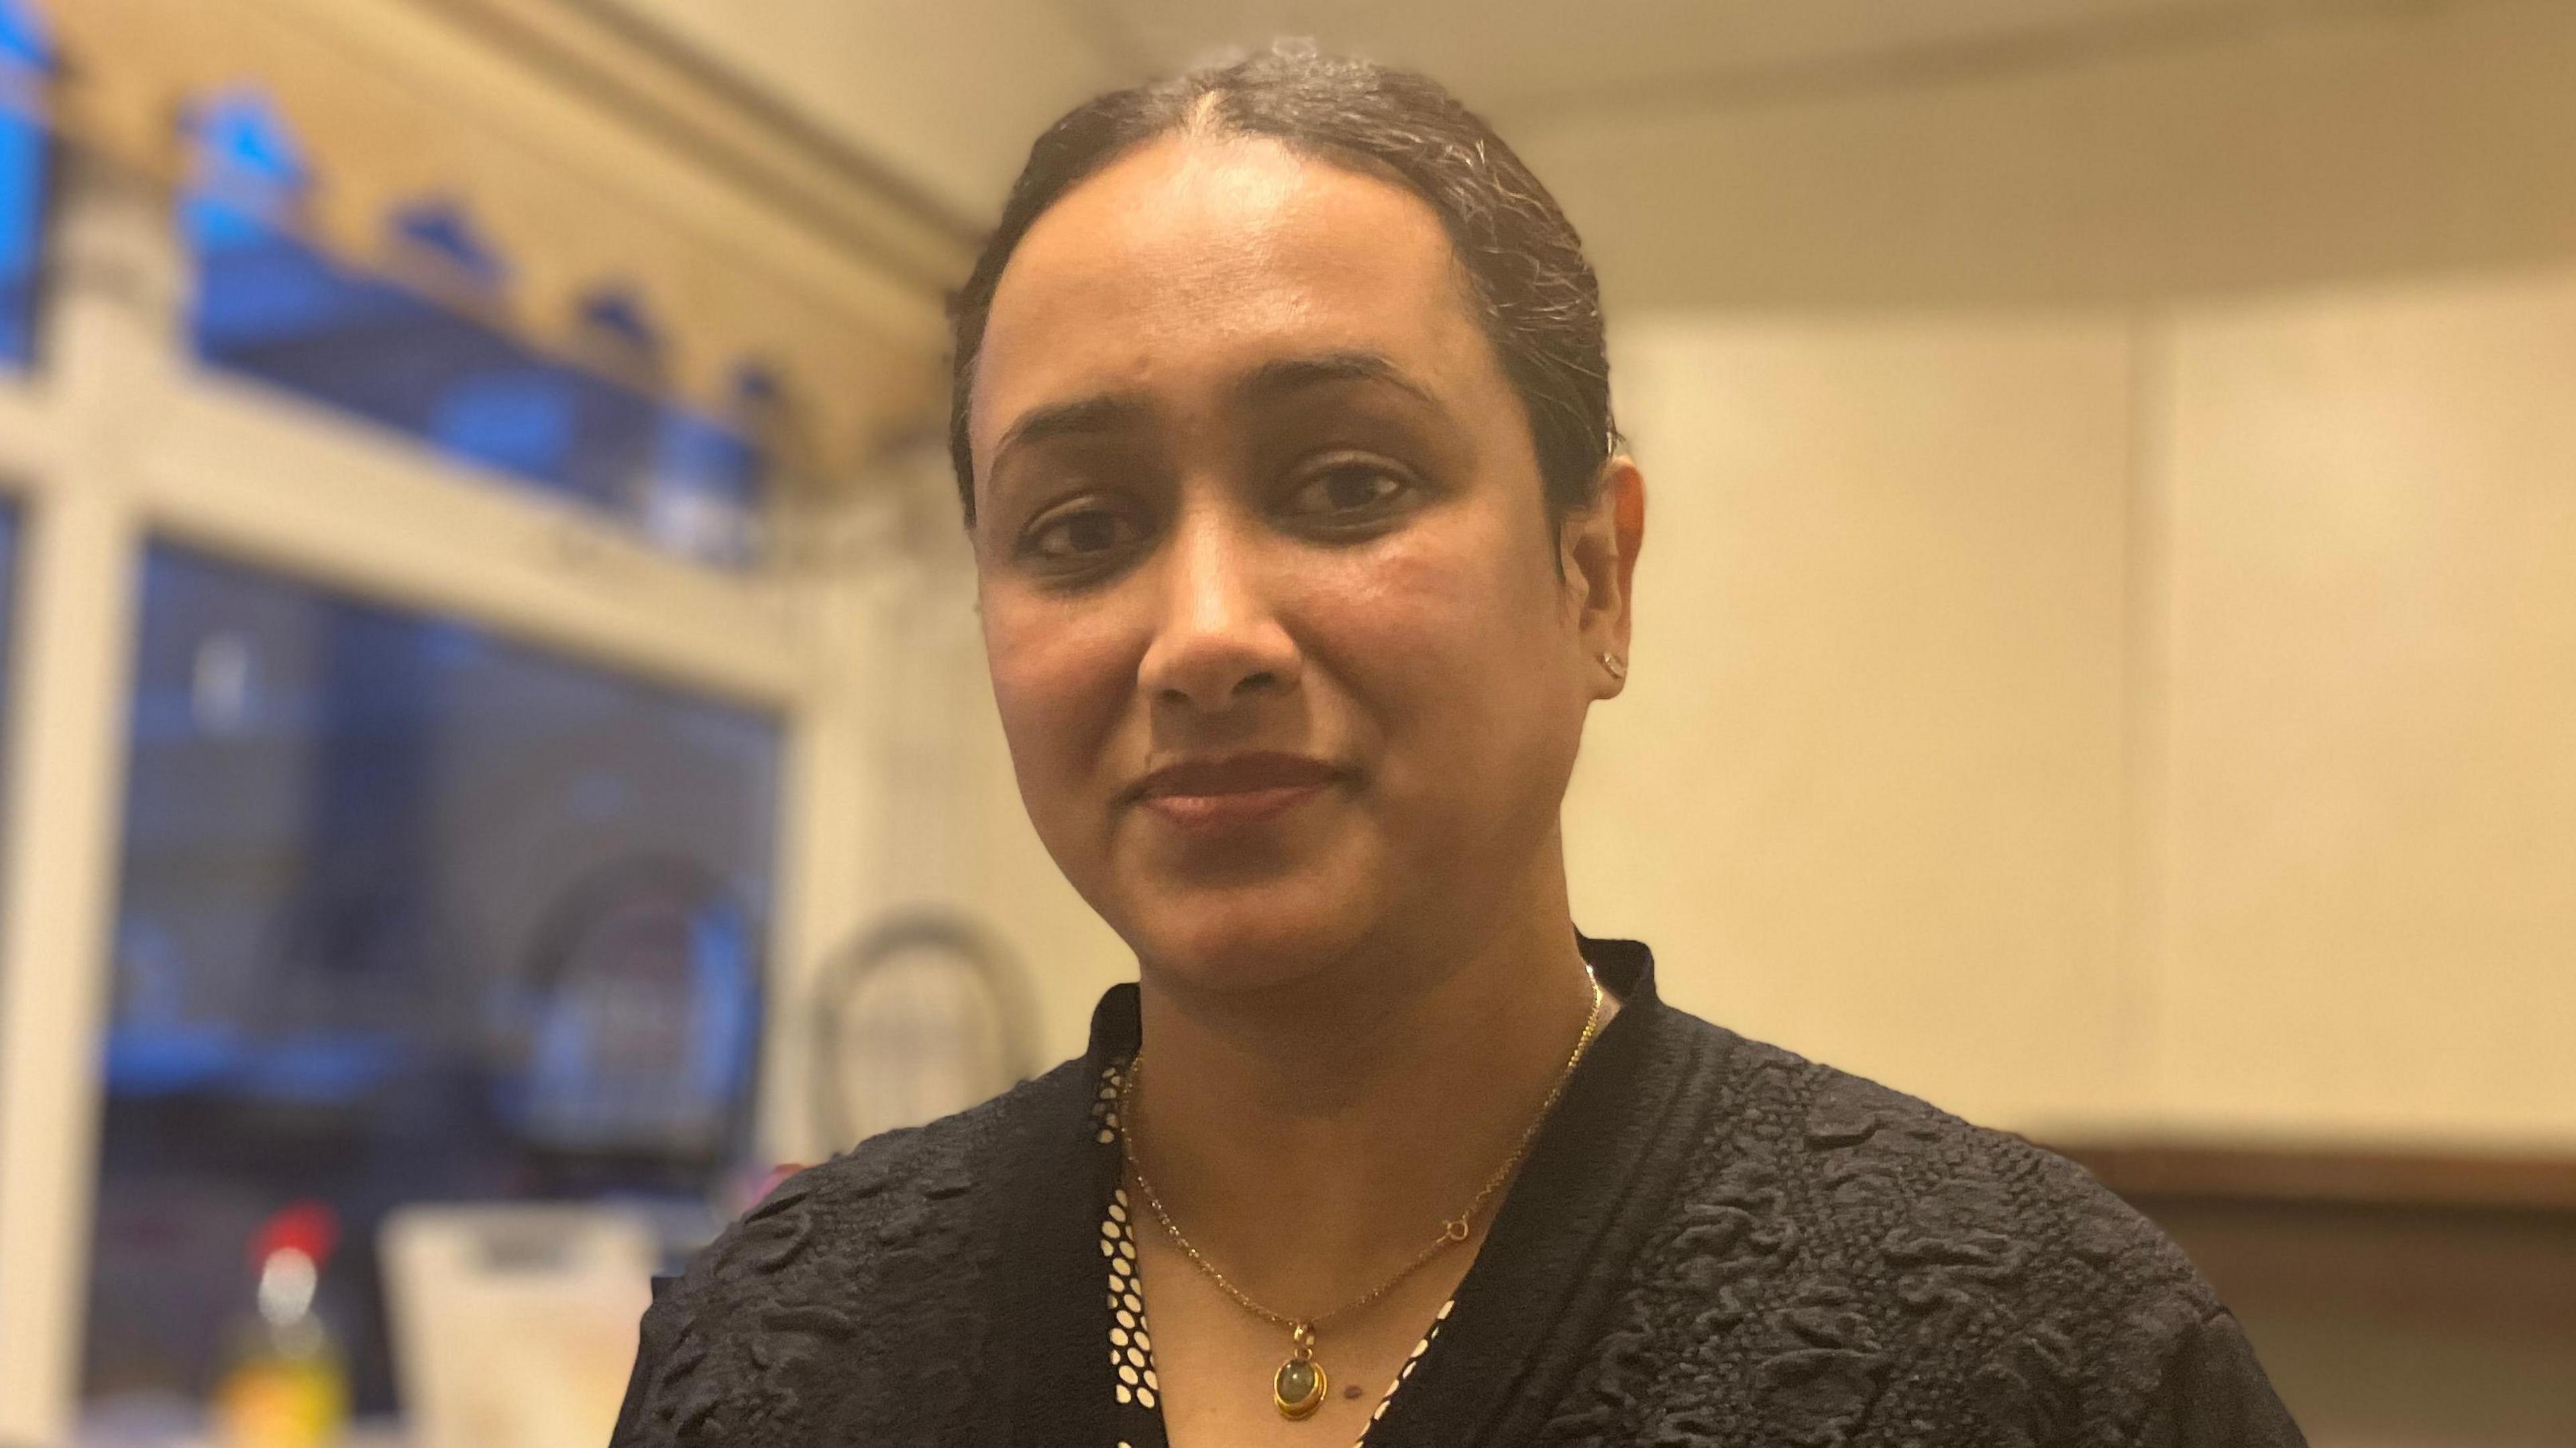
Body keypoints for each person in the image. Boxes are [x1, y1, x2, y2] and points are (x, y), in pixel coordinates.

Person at [610, 43, 2305, 1448]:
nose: (1205, 632)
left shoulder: (2043, 1358)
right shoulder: (768, 1352)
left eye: (1347, 486)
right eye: (1079, 526)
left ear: (1593, 575)